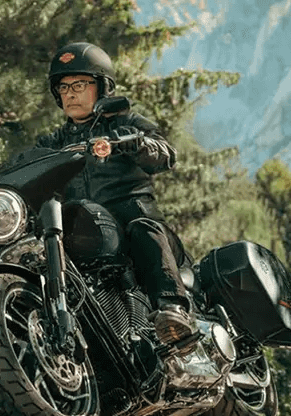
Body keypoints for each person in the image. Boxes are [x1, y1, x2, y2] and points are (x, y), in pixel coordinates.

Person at [28, 42, 195, 350]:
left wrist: (135, 144)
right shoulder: (53, 142)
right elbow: (22, 168)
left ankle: (172, 309)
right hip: (82, 229)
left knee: (142, 227)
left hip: (131, 216)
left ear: (102, 86)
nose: (70, 93)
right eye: (63, 87)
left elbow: (166, 154)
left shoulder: (126, 122)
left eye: (79, 84)